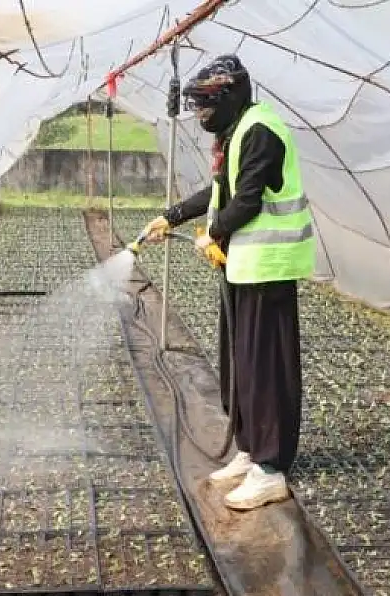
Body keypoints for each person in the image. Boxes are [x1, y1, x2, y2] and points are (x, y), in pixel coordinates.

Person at [142, 54, 315, 511]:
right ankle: (250, 449)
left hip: (268, 266)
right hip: (242, 267)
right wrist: (171, 217)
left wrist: (213, 233)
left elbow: (249, 202)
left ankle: (271, 468)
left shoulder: (260, 130)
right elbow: (219, 194)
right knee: (240, 364)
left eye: (205, 105)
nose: (201, 114)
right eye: (196, 105)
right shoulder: (235, 132)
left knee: (266, 367)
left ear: (230, 95)